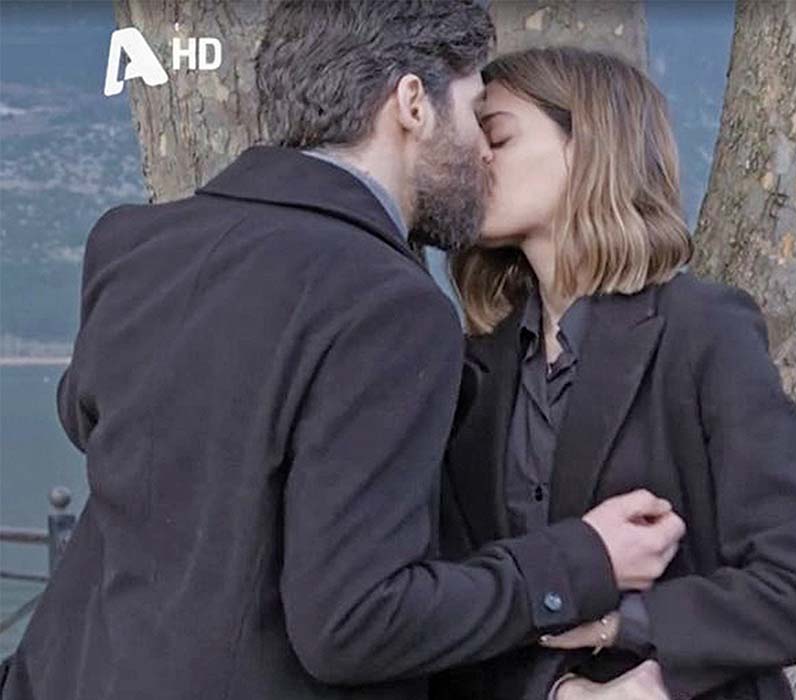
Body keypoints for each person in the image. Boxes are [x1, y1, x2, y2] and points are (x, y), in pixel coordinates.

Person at [0, 4, 684, 700]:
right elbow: (356, 623)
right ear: (412, 105)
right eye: (476, 114)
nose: (484, 150)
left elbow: (90, 419)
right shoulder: (389, 305)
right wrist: (581, 562)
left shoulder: (135, 244)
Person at [435, 47, 796, 700]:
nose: (473, 157)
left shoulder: (705, 331)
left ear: (589, 148)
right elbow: (457, 604)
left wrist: (624, 631)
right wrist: (560, 694)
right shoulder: (474, 369)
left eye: (498, 136)